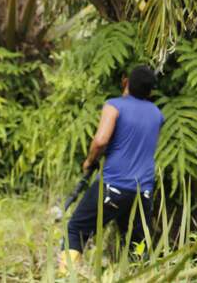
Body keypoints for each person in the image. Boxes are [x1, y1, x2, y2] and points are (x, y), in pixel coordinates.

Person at [58, 64, 165, 272]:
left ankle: (64, 277)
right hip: (142, 192)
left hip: (113, 186)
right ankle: (139, 276)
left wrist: (90, 161)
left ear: (126, 82)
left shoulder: (114, 106)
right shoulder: (156, 114)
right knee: (136, 244)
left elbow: (100, 140)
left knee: (76, 229)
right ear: (151, 90)